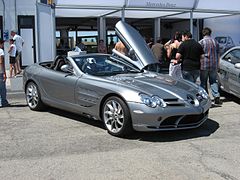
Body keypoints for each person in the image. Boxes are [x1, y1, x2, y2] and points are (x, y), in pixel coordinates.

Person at [199, 27, 222, 105]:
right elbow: (218, 53)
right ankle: (216, 96)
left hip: (204, 65)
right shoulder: (215, 42)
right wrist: (218, 64)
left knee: (203, 82)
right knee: (213, 81)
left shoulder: (201, 42)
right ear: (210, 33)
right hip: (214, 65)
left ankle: (204, 97)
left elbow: (198, 54)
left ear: (203, 33)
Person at [0, 39, 9, 108]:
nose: (3, 45)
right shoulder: (1, 51)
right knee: (2, 88)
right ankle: (3, 102)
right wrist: (4, 73)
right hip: (0, 72)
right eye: (2, 44)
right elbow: (1, 62)